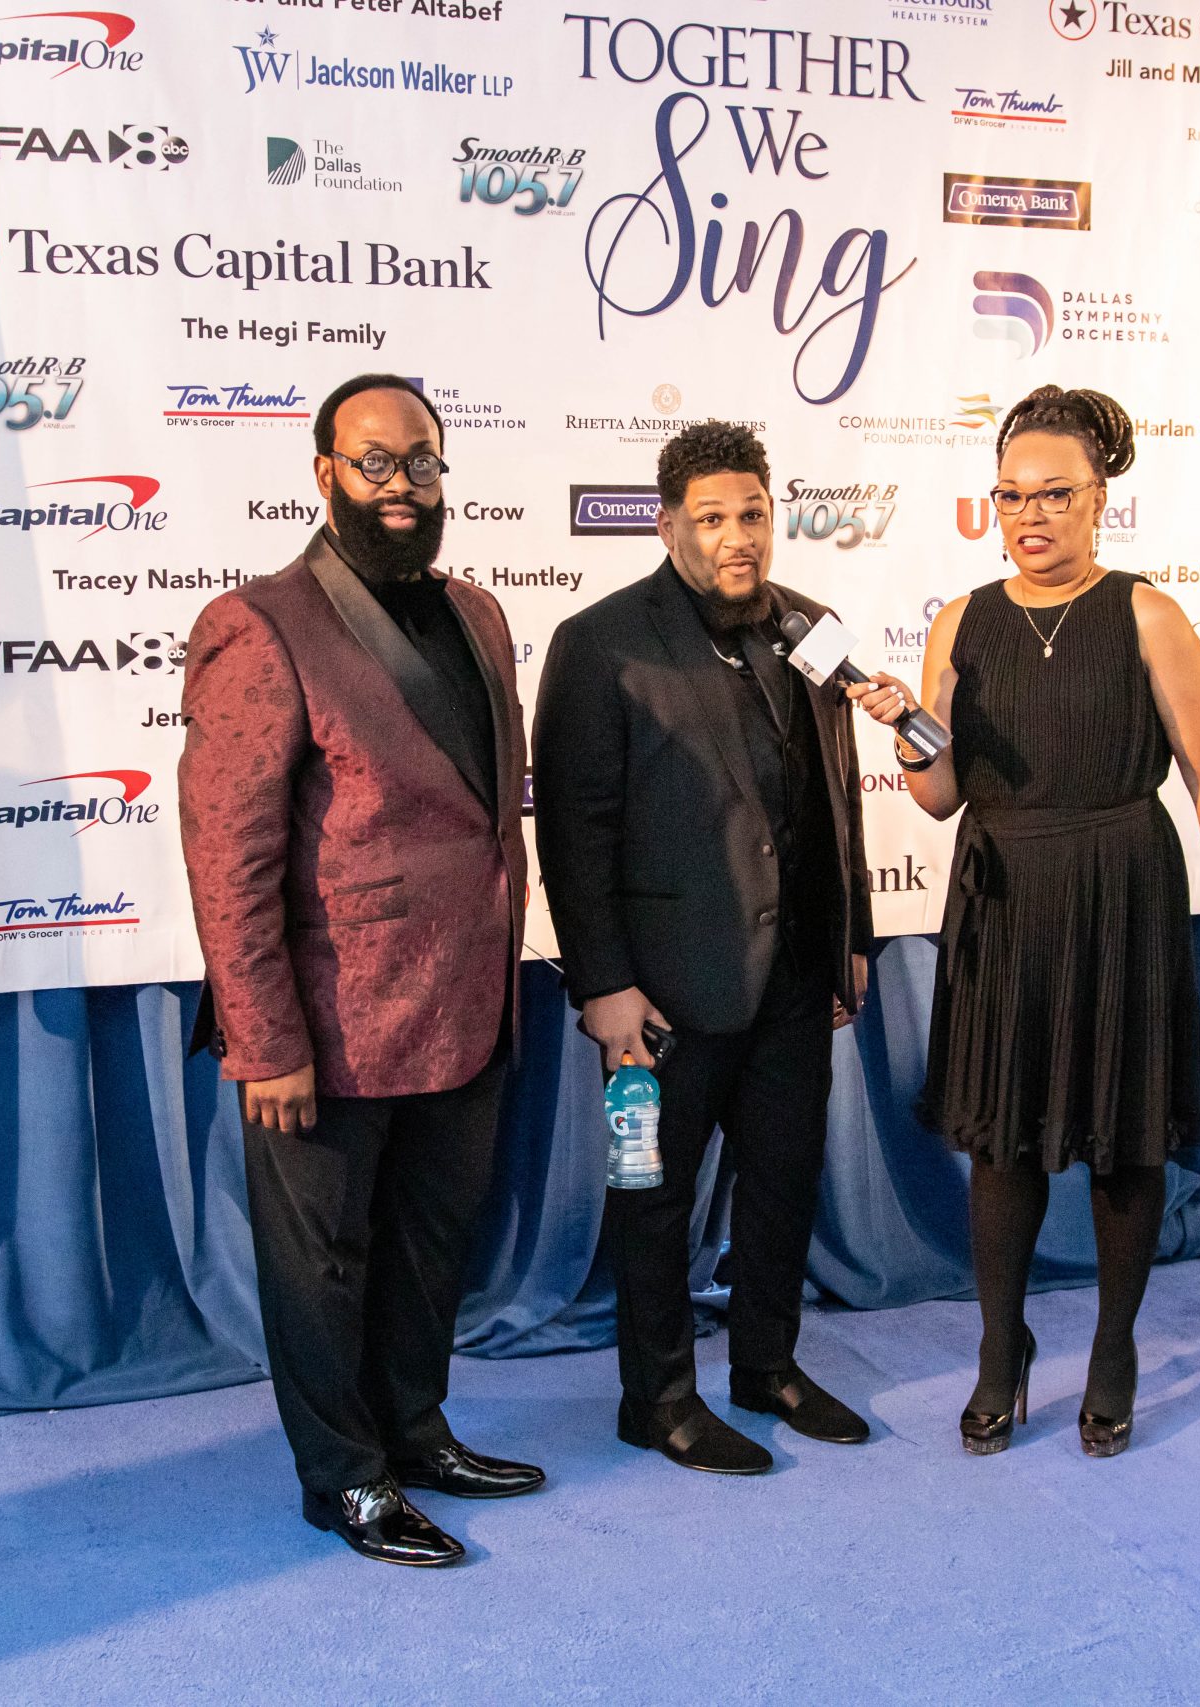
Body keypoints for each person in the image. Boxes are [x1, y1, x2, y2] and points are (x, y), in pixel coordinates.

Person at [847, 383, 1200, 1457]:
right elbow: (939, 797)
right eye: (1010, 495)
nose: (1029, 515)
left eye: (1054, 494)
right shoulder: (962, 621)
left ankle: (1114, 1349)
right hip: (1001, 898)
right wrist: (907, 729)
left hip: (1120, 890)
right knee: (1004, 1141)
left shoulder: (1147, 614)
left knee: (1126, 1135)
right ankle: (1002, 1348)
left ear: (1099, 500)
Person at [176, 373, 544, 1566]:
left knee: (431, 1247)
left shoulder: (478, 612)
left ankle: (416, 1434)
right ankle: (343, 1479)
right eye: (375, 462)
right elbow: (226, 855)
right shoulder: (260, 624)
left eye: (420, 461)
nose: (401, 484)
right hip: (328, 1025)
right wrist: (263, 1041)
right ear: (325, 473)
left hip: (467, 1005)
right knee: (323, 1268)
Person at [533, 420, 876, 1475]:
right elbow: (573, 832)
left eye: (754, 514)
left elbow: (840, 798)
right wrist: (603, 986)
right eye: (714, 517)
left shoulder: (811, 628)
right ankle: (658, 1399)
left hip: (795, 983)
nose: (739, 537)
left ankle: (766, 1366)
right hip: (660, 999)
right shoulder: (602, 643)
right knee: (650, 1193)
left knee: (784, 1181)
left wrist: (852, 937)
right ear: (667, 524)